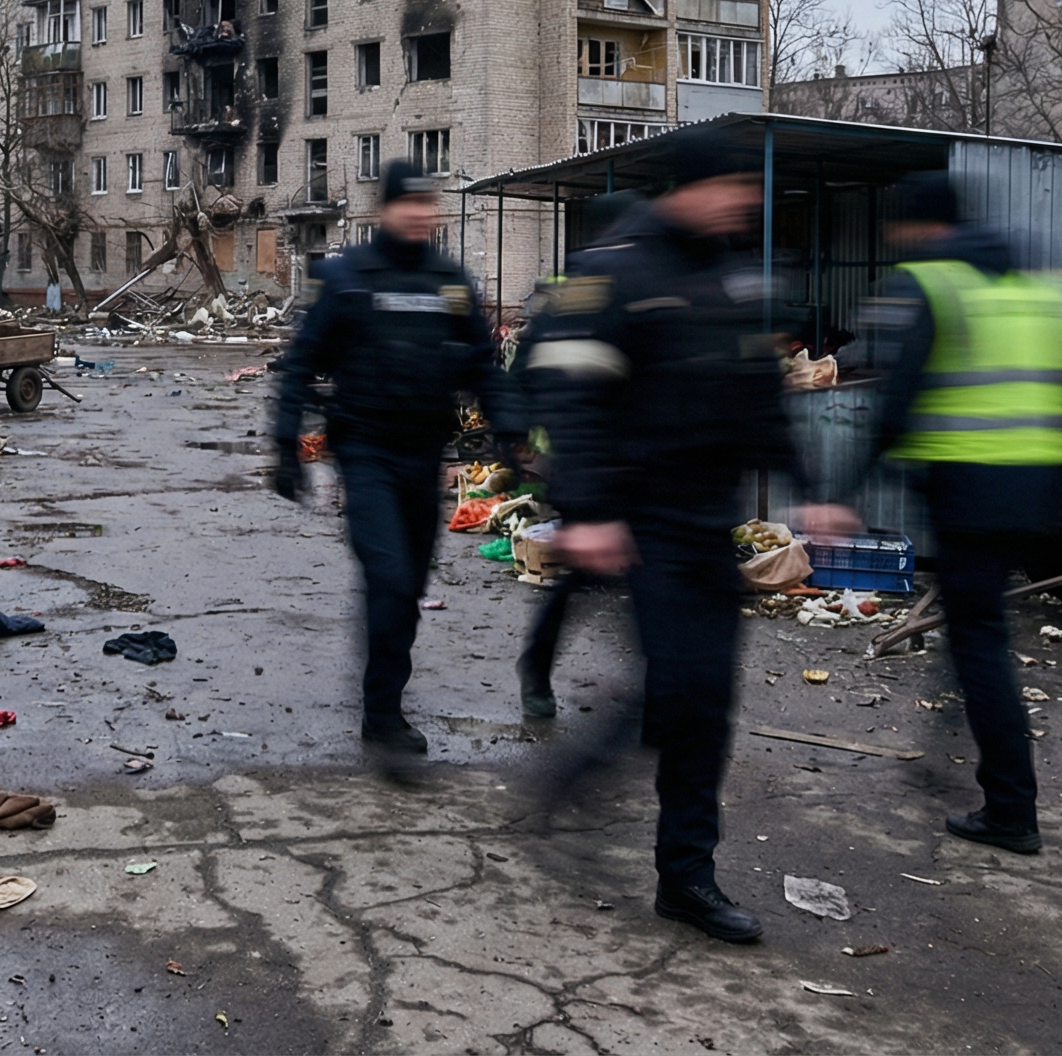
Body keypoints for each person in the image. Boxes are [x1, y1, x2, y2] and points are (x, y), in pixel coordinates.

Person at [528, 128, 858, 944]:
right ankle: (588, 785)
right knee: (680, 688)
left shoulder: (731, 279)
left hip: (708, 523)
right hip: (640, 522)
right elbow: (567, 397)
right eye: (731, 188)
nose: (743, 203)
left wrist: (810, 496)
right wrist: (590, 509)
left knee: (702, 703)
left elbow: (759, 399)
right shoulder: (611, 271)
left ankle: (686, 879)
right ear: (688, 190)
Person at [856, 171, 1062, 856]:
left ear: (922, 227)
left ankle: (1012, 808)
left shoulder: (934, 285)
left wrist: (848, 490)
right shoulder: (1052, 290)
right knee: (973, 628)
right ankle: (944, 748)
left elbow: (894, 404)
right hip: (1039, 494)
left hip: (968, 492)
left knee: (981, 641)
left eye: (898, 228)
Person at [271, 160, 505, 771]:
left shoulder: (449, 281)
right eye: (411, 205)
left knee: (409, 589)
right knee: (391, 578)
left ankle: (385, 696)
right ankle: (382, 717)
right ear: (387, 210)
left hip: (424, 456)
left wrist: (512, 435)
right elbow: (299, 364)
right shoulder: (348, 277)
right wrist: (283, 447)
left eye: (429, 205)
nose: (422, 215)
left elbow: (483, 366)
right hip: (366, 453)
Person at [508, 188, 647, 720]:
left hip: (621, 463)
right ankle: (539, 669)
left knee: (614, 576)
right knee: (591, 576)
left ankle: (646, 686)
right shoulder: (583, 294)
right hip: (588, 463)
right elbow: (534, 375)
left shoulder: (614, 287)